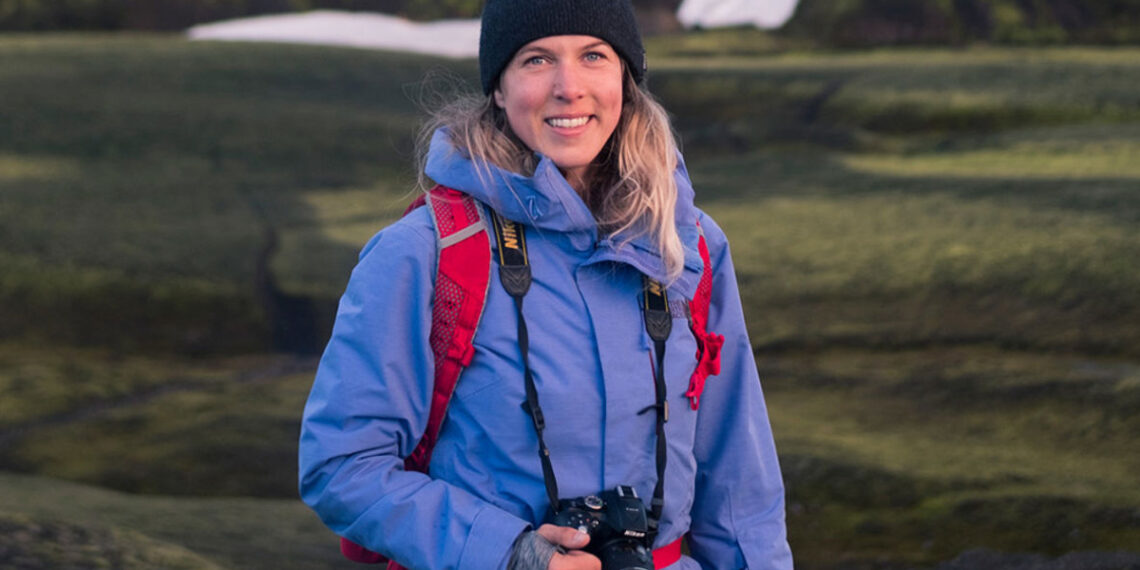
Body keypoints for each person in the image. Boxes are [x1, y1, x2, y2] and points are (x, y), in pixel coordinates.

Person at [298, 0, 793, 568]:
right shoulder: (427, 253)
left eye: (594, 56)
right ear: (498, 88)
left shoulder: (689, 245)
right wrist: (512, 555)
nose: (569, 87)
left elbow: (741, 491)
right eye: (537, 59)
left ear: (625, 79)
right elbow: (342, 465)